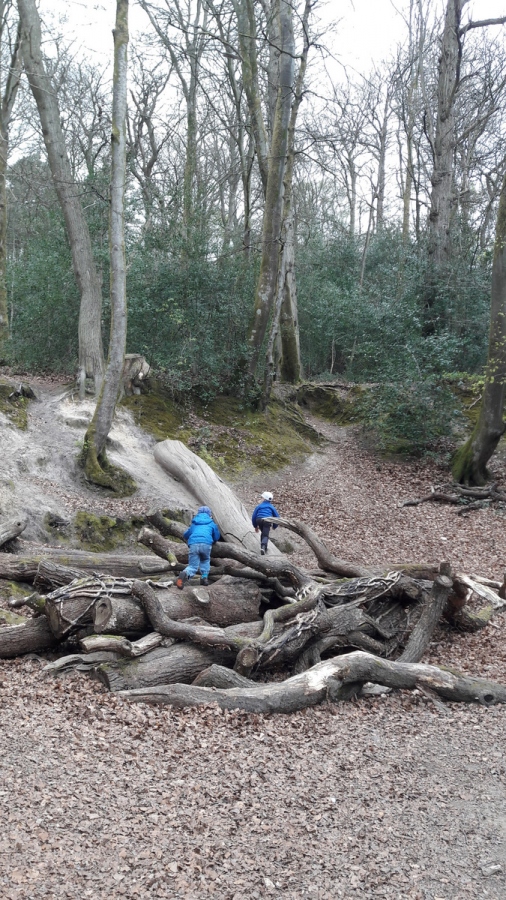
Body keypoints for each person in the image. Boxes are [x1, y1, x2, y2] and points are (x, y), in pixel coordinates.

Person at [176, 506, 221, 588]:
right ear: (209, 515)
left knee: (193, 566)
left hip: (193, 545)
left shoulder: (194, 523)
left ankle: (184, 574)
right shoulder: (212, 523)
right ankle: (204, 578)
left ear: (198, 513)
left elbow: (186, 534)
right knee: (205, 560)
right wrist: (213, 540)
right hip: (206, 545)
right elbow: (216, 536)